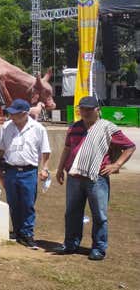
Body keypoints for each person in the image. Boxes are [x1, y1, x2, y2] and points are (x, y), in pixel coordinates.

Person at [55, 96, 136, 261]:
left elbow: (129, 146)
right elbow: (67, 149)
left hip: (96, 177)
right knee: (72, 213)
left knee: (99, 215)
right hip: (74, 177)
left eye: (88, 109)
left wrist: (117, 165)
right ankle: (71, 244)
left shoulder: (107, 127)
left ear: (97, 110)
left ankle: (98, 248)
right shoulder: (74, 127)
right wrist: (59, 169)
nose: (84, 112)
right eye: (82, 109)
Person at [0, 99, 51, 249]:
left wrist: (44, 168)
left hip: (29, 171)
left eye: (15, 114)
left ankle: (27, 233)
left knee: (28, 203)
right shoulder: (7, 127)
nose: (11, 116)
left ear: (24, 114)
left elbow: (45, 151)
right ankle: (18, 231)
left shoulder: (38, 129)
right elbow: (0, 148)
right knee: (13, 202)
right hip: (11, 169)